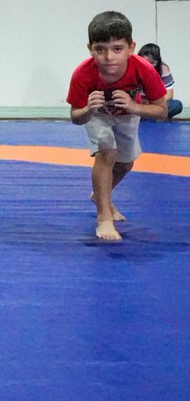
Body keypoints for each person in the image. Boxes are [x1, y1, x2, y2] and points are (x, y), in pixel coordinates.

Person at [68, 13, 168, 240]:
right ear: (90, 49)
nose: (109, 57)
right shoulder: (83, 74)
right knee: (107, 152)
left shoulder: (143, 69)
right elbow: (75, 117)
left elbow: (162, 111)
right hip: (97, 114)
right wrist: (88, 110)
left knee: (125, 164)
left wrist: (134, 106)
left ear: (131, 48)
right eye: (100, 49)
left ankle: (100, 195)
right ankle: (104, 218)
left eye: (117, 49)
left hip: (129, 113)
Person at [137, 43, 182, 119]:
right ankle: (151, 117)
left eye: (152, 63)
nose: (148, 65)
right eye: (145, 62)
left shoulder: (163, 68)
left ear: (157, 62)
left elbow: (169, 95)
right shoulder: (133, 67)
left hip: (155, 104)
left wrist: (152, 103)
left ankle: (149, 116)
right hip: (138, 105)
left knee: (176, 105)